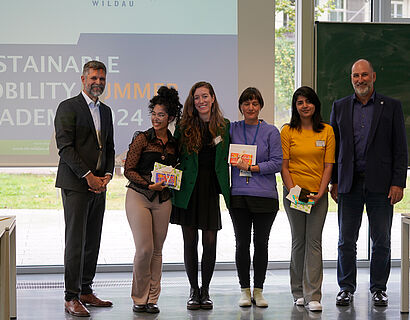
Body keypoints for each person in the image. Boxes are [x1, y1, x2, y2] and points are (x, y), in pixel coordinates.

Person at [330, 59, 408, 307]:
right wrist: (333, 181)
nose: (360, 80)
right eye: (355, 76)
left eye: (364, 75)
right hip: (349, 184)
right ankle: (346, 288)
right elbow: (334, 149)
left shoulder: (392, 107)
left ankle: (379, 289)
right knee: (346, 240)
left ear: (373, 76)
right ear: (351, 78)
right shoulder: (340, 106)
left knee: (381, 240)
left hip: (382, 186)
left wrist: (399, 182)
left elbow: (400, 148)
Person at [54, 60, 115, 317]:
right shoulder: (68, 107)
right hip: (76, 184)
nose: (98, 82)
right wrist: (88, 176)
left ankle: (86, 290)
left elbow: (109, 147)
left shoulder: (107, 111)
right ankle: (71, 296)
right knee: (76, 241)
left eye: (102, 78)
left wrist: (108, 175)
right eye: (93, 78)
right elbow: (65, 148)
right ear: (83, 79)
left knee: (93, 239)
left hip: (99, 186)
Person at [170, 81, 230, 310]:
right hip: (188, 189)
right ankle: (193, 290)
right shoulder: (184, 125)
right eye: (197, 97)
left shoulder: (224, 126)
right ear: (192, 102)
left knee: (210, 241)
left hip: (210, 191)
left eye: (205, 96)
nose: (201, 101)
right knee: (190, 241)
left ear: (213, 98)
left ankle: (206, 290)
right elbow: (172, 154)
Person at [124, 86, 183, 314]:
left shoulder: (174, 144)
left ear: (170, 118)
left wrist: (171, 179)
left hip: (163, 199)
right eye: (154, 114)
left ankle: (152, 298)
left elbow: (175, 170)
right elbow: (128, 169)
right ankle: (139, 297)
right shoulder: (142, 138)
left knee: (158, 250)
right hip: (139, 196)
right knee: (144, 249)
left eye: (161, 115)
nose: (156, 118)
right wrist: (149, 184)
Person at [280, 86, 335, 312]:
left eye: (308, 101)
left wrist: (321, 192)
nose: (304, 106)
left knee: (314, 242)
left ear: (315, 104)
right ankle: (298, 292)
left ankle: (313, 295)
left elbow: (328, 165)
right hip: (294, 194)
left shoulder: (327, 131)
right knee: (298, 241)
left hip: (318, 196)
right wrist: (294, 192)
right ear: (295, 106)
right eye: (300, 102)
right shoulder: (287, 131)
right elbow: (284, 167)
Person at [229, 87, 282, 308]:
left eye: (255, 103)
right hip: (239, 196)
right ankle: (244, 290)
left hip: (265, 197)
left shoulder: (271, 131)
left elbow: (277, 162)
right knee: (242, 244)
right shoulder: (231, 129)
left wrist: (253, 167)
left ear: (260, 106)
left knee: (261, 244)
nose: (251, 107)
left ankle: (258, 291)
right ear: (240, 107)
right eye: (246, 103)